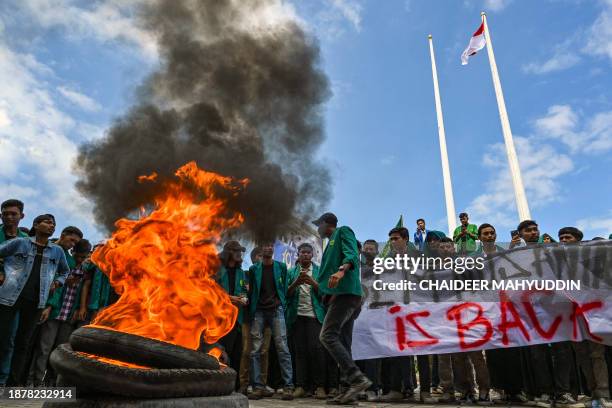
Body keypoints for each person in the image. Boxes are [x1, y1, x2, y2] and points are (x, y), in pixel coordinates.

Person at [0, 214, 70, 386]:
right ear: (36, 225)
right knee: (3, 338)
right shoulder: (20, 243)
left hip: (36, 301)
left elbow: (64, 271)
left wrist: (58, 282)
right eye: (47, 222)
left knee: (23, 343)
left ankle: (12, 384)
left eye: (54, 224)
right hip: (10, 297)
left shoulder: (57, 251)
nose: (51, 226)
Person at [313, 212, 371, 405]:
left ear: (325, 223)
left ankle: (357, 379)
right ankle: (348, 392)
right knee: (344, 342)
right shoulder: (329, 244)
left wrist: (341, 270)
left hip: (345, 294)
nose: (317, 229)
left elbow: (352, 254)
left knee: (327, 335)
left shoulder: (342, 231)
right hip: (343, 296)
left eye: (318, 225)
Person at [559, 227, 611, 408]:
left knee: (597, 354)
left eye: (568, 237)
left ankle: (603, 393)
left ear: (579, 240)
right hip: (571, 317)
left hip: (594, 314)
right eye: (561, 237)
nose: (564, 240)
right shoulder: (557, 264)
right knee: (581, 355)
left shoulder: (591, 260)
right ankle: (592, 393)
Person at [29, 239, 93, 386]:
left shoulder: (87, 271)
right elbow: (57, 290)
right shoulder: (65, 266)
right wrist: (50, 306)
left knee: (61, 351)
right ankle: (34, 381)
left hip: (69, 317)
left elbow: (85, 291)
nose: (81, 260)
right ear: (73, 252)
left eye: (84, 257)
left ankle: (51, 382)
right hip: (55, 313)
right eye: (78, 256)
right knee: (44, 348)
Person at [435, 237, 491, 404]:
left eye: (448, 246)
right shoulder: (434, 268)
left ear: (453, 248)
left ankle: (484, 389)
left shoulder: (465, 264)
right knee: (457, 357)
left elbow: (477, 284)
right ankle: (465, 390)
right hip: (446, 315)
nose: (445, 249)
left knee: (476, 354)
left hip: (468, 314)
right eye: (442, 247)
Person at [472, 224, 524, 403]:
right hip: (488, 309)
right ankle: (498, 388)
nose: (489, 235)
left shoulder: (506, 254)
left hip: (508, 307)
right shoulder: (474, 259)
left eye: (492, 233)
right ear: (479, 237)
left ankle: (515, 390)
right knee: (494, 350)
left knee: (512, 350)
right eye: (485, 233)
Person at [247, 242, 294, 400]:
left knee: (282, 348)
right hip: (259, 311)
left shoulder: (281, 267)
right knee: (255, 350)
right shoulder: (254, 269)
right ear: (261, 249)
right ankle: (257, 387)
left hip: (276, 310)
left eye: (270, 246)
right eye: (265, 246)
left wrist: (282, 304)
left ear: (273, 249)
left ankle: (288, 387)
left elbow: (285, 289)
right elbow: (252, 291)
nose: (268, 248)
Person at [379, 227, 420, 403]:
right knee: (396, 350)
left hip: (416, 309)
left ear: (405, 239)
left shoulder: (418, 257)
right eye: (390, 240)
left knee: (414, 350)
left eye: (395, 239)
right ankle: (397, 388)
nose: (392, 242)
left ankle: (416, 388)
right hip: (394, 309)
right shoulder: (387, 260)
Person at [286, 243, 327, 399]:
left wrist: (312, 282)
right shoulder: (291, 272)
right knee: (299, 352)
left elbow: (325, 293)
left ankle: (320, 386)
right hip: (296, 317)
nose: (305, 255)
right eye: (302, 252)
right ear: (298, 254)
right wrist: (296, 282)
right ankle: (301, 386)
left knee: (317, 351)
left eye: (308, 252)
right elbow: (286, 294)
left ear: (312, 255)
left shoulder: (319, 271)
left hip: (315, 317)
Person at [0, 199, 29, 386]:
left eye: (13, 213)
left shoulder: (27, 242)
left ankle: (2, 380)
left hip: (13, 298)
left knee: (8, 339)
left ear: (22, 216)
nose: (9, 216)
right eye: (5, 213)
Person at [238, 246, 272, 395]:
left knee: (264, 351)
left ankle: (261, 385)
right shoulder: (246, 274)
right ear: (253, 259)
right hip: (249, 318)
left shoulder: (271, 274)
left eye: (263, 255)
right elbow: (242, 293)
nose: (261, 257)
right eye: (258, 255)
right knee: (247, 351)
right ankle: (244, 384)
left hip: (268, 318)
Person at [216, 240, 249, 387]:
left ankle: (233, 386)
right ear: (227, 252)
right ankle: (219, 384)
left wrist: (244, 298)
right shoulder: (217, 270)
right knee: (222, 353)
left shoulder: (241, 272)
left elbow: (243, 291)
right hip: (220, 319)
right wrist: (230, 298)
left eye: (240, 251)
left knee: (237, 353)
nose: (239, 254)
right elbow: (210, 291)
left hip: (237, 320)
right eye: (236, 251)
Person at [355, 239, 381, 402]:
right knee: (358, 353)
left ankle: (373, 388)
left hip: (376, 317)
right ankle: (360, 387)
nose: (368, 251)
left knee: (373, 355)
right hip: (357, 317)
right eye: (366, 249)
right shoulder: (356, 270)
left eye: (371, 249)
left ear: (377, 252)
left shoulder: (383, 270)